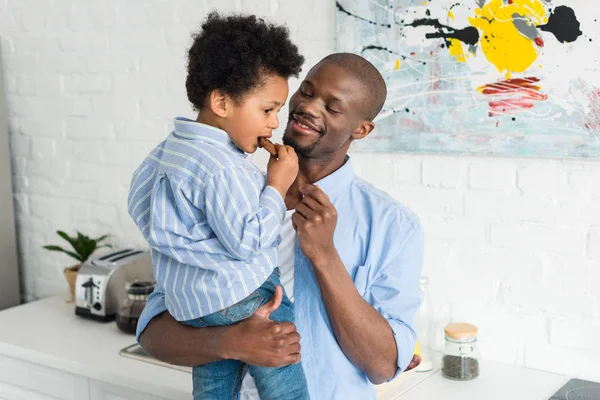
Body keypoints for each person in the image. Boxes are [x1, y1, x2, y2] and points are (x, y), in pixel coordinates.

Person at [135, 52, 424, 400]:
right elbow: (152, 332)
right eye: (307, 91)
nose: (309, 107)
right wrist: (230, 342)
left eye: (333, 107)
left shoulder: (393, 226)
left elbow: (382, 366)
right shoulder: (227, 191)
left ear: (361, 129)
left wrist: (324, 255)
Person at [126, 12, 309, 400]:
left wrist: (193, 251)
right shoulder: (223, 167)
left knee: (213, 386)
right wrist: (276, 186)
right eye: (268, 109)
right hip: (247, 295)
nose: (275, 123)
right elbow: (247, 243)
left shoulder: (167, 153)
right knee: (286, 385)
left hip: (192, 307)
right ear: (222, 102)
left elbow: (140, 203)